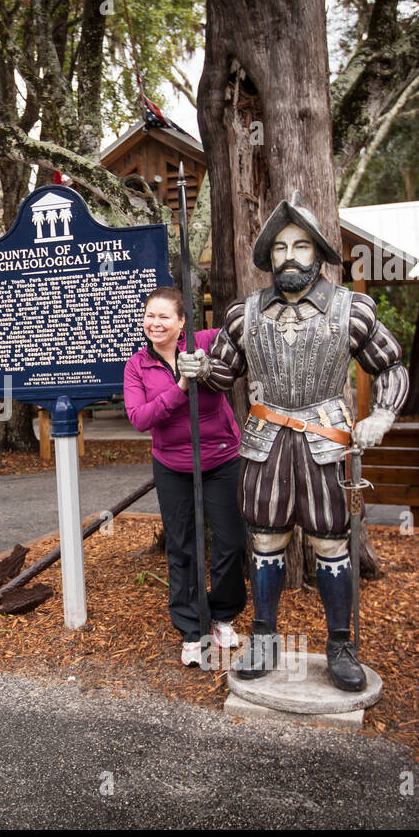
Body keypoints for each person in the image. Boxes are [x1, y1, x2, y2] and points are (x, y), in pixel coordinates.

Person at [177, 194, 407, 691]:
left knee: (330, 542)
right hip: (264, 442)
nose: (289, 257)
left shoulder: (353, 309)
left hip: (327, 441)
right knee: (264, 541)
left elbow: (390, 365)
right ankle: (264, 638)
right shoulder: (244, 314)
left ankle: (341, 645)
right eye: (280, 247)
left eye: (301, 246)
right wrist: (199, 368)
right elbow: (224, 375)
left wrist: (383, 414)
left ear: (319, 253)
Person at [123, 286, 248, 667]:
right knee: (182, 545)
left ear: (181, 322)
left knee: (231, 541)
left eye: (164, 317)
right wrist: (180, 388)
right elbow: (140, 418)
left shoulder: (206, 342)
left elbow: (242, 339)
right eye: (149, 316)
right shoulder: (136, 366)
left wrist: (207, 367)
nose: (154, 323)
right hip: (173, 466)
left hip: (222, 459)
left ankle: (223, 615)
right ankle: (192, 629)